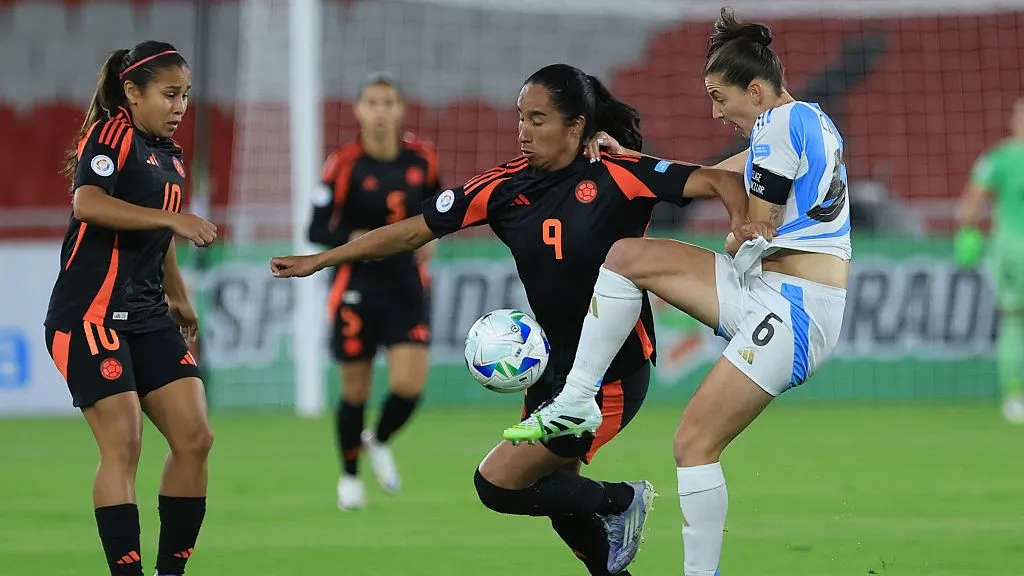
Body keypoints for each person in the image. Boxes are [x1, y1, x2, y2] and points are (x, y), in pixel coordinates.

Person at [271, 63, 752, 575]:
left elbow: (718, 180)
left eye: (538, 119)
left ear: (576, 127)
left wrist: (746, 222)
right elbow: (414, 231)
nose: (523, 131)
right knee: (558, 499)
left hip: (610, 376)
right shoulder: (503, 187)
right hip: (549, 371)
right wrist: (322, 259)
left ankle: (621, 500)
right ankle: (613, 529)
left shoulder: (619, 172)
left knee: (497, 483)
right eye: (520, 117)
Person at [503, 11, 852, 575]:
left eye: (720, 98)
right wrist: (632, 162)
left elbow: (754, 224)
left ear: (756, 90)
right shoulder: (800, 122)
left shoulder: (781, 126)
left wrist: (743, 229)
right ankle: (574, 398)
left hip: (796, 311)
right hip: (765, 289)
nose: (716, 112)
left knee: (693, 443)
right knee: (627, 257)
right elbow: (724, 174)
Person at [43, 41, 217, 576]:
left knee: (195, 438)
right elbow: (88, 202)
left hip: (145, 314)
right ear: (132, 93)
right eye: (169, 94)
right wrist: (174, 220)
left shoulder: (169, 154)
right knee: (124, 445)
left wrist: (179, 296)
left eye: (185, 95)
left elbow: (158, 235)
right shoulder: (111, 134)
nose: (180, 106)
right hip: (88, 315)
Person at [309, 72, 440, 509]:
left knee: (408, 386)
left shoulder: (422, 161)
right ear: (359, 111)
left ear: (400, 110)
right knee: (355, 391)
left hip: (406, 285)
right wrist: (358, 238)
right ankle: (348, 478)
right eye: (372, 102)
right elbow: (316, 229)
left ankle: (378, 439)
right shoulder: (343, 164)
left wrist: (434, 237)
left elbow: (441, 213)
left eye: (388, 102)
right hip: (356, 286)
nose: (380, 111)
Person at [955, 97, 1024, 424]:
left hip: (1010, 251)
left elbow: (971, 204)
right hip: (1012, 252)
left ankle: (1014, 397)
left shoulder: (999, 158)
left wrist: (967, 235)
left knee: (1014, 322)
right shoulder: (1000, 158)